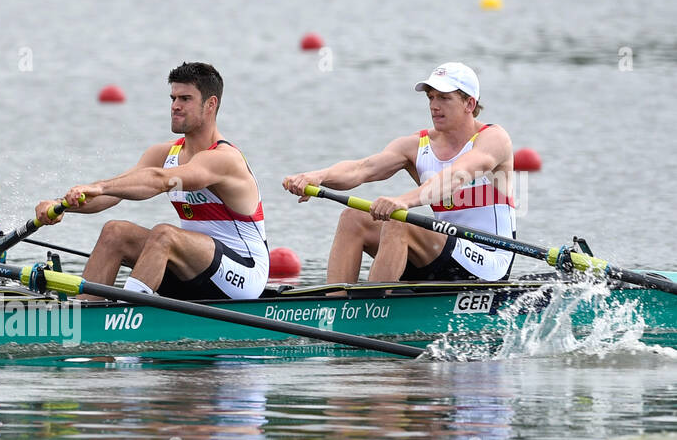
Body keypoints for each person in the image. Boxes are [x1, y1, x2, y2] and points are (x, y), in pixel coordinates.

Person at [35, 61, 268, 301]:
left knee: (165, 234)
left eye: (185, 99)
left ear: (211, 104)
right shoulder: (164, 153)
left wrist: (100, 185)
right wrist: (60, 204)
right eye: (173, 98)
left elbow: (160, 181)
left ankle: (126, 315)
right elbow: (112, 194)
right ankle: (84, 316)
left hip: (244, 274)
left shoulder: (224, 159)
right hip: (193, 268)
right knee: (115, 231)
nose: (175, 106)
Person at [282, 62, 516, 286]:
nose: (434, 105)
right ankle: (332, 305)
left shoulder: (493, 139)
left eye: (444, 98)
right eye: (431, 97)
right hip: (443, 253)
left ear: (469, 104)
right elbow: (361, 169)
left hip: (490, 260)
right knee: (352, 218)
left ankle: (371, 311)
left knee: (399, 220)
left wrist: (402, 201)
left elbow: (456, 176)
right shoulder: (417, 144)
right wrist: (318, 176)